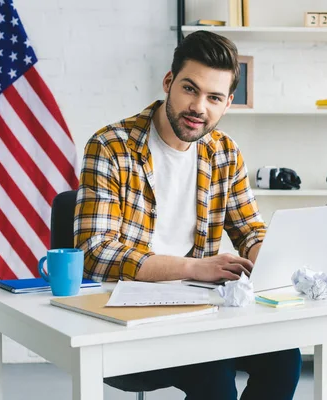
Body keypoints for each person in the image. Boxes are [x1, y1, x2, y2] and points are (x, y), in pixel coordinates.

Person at [74, 31, 301, 399]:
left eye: (213, 97)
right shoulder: (111, 146)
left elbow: (250, 230)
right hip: (125, 318)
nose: (199, 107)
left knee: (284, 357)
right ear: (169, 82)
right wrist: (195, 268)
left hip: (201, 313)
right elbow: (95, 253)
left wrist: (271, 259)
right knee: (213, 369)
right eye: (189, 89)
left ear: (227, 104)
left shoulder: (224, 152)